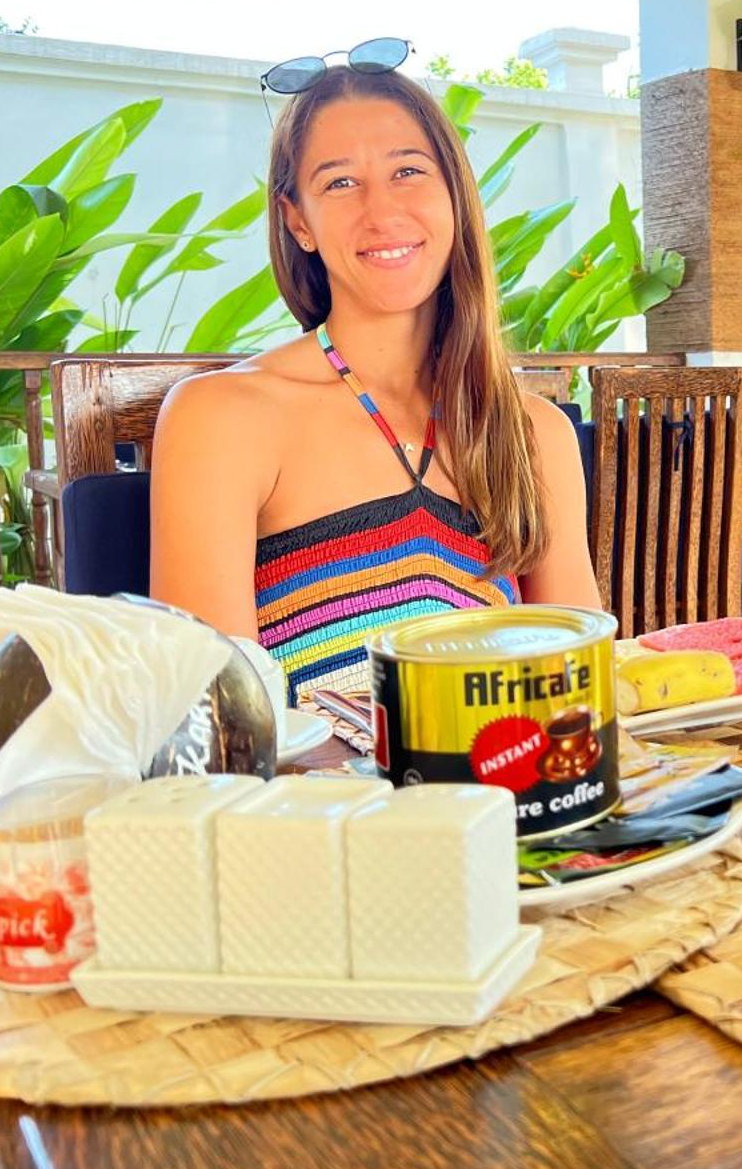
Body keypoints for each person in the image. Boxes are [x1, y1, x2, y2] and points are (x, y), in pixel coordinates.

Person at [150, 57, 599, 701]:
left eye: (408, 172)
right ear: (298, 221)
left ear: (455, 195)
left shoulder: (534, 434)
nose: (382, 211)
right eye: (339, 184)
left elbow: (575, 687)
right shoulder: (222, 418)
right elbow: (215, 717)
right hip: (311, 798)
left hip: (507, 790)